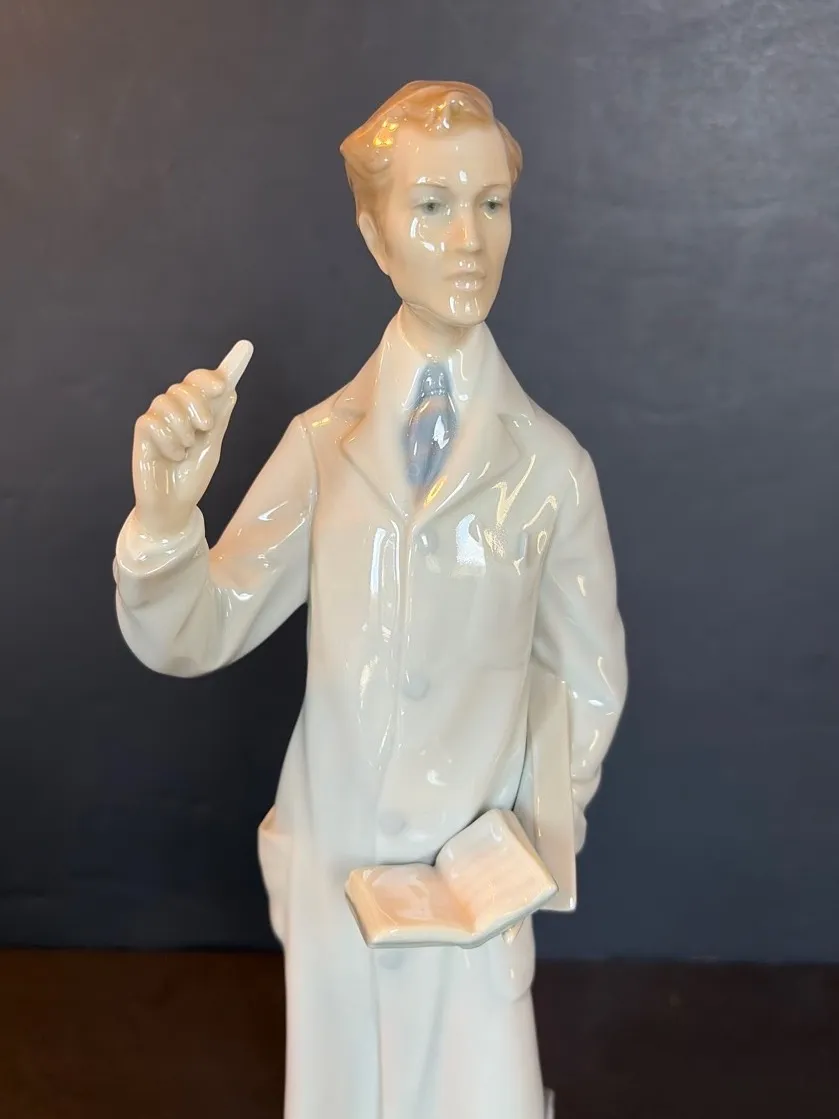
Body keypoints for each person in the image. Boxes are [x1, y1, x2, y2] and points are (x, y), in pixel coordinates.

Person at [114, 80, 627, 1119]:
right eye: (431, 205)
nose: (468, 239)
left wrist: (516, 850)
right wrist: (167, 520)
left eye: (489, 203)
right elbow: (198, 628)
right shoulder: (321, 447)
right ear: (373, 233)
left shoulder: (551, 470)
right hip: (338, 872)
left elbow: (586, 682)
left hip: (469, 893)